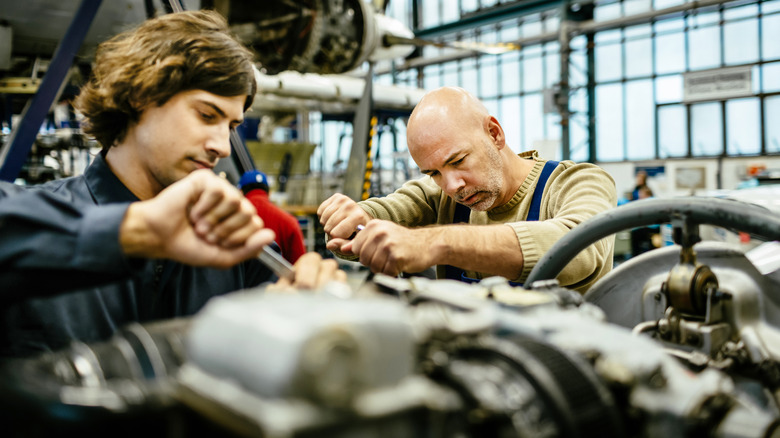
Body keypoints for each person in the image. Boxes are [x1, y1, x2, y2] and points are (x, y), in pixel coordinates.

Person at [0, 10, 344, 358]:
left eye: (231, 126)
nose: (222, 146)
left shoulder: (237, 254)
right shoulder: (30, 234)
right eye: (207, 115)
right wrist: (134, 232)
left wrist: (292, 315)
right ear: (140, 96)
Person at [318, 86, 617, 293]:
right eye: (434, 172)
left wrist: (435, 243)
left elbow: (582, 248)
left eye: (458, 160)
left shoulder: (578, 182)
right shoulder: (442, 198)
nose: (452, 186)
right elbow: (385, 212)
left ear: (494, 134)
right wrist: (354, 219)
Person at [239, 170, 306, 263]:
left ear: (240, 192)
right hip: (279, 277)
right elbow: (300, 264)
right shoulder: (289, 221)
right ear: (269, 193)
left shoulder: (230, 218)